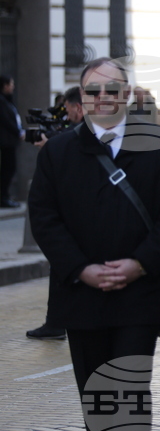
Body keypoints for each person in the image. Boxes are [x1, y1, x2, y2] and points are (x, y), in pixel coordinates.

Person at [28, 57, 160, 431]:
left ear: (127, 94)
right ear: (82, 97)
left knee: (129, 401)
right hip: (82, 298)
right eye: (93, 90)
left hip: (140, 295)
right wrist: (81, 269)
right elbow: (44, 218)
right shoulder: (58, 152)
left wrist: (140, 263)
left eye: (112, 89)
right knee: (98, 405)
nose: (103, 97)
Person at [26, 86, 85, 341]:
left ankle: (57, 323)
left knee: (63, 267)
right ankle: (58, 322)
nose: (67, 114)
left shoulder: (74, 138)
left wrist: (49, 149)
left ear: (77, 108)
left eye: (68, 109)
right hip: (80, 215)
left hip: (73, 215)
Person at [0, 74, 24, 207]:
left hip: (10, 141)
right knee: (7, 169)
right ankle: (3, 197)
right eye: (11, 84)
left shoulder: (8, 101)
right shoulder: (2, 102)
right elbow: (6, 121)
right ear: (4, 86)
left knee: (9, 168)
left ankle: (5, 196)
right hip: (6, 142)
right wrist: (18, 132)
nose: (13, 87)